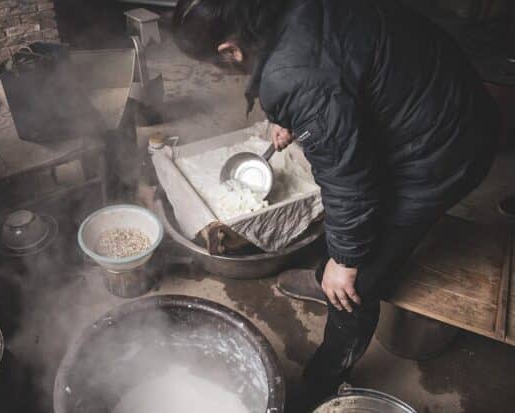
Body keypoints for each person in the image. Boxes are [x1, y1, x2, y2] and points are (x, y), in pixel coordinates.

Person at [172, 0, 498, 410]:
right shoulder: (285, 18)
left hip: (445, 146)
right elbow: (336, 67)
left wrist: (346, 261)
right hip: (439, 94)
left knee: (357, 281)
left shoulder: (292, 76)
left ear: (230, 50)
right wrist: (291, 110)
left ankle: (326, 374)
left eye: (213, 65)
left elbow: (350, 176)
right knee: (344, 226)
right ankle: (324, 277)